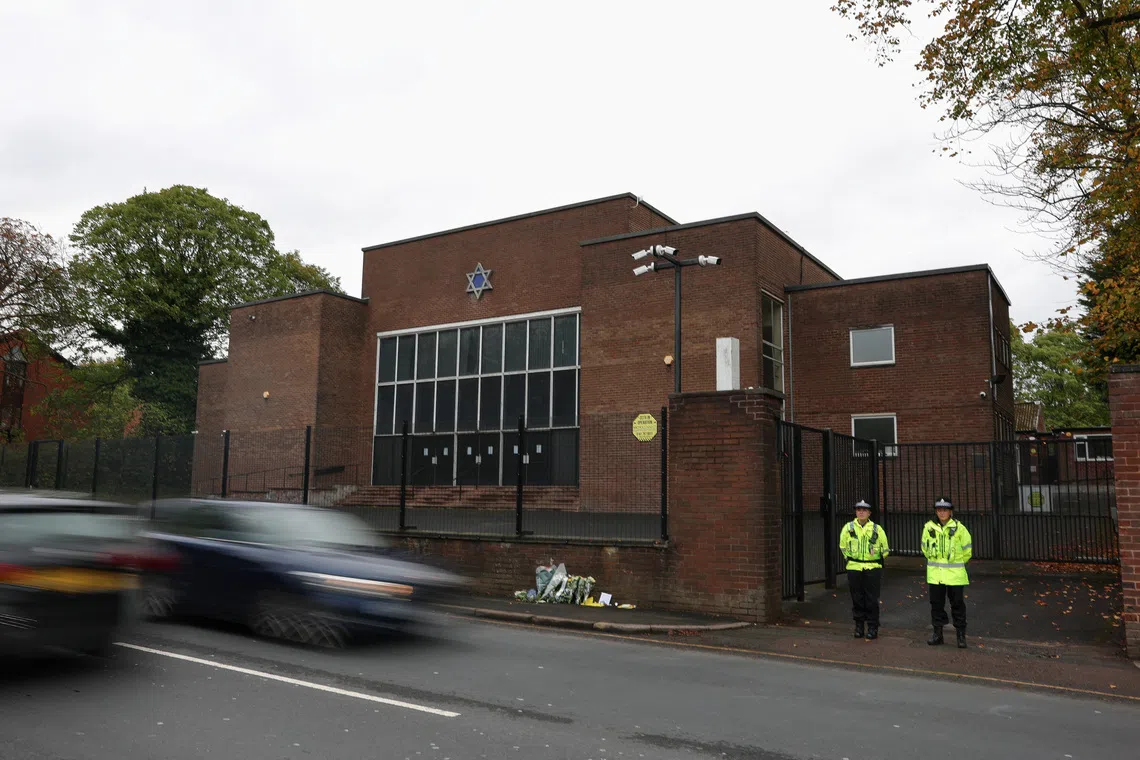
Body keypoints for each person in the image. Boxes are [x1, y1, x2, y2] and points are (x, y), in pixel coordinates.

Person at [921, 498, 973, 648]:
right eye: (939, 510)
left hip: (955, 575)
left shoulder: (959, 528)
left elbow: (967, 550)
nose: (942, 513)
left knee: (957, 605)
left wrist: (955, 564)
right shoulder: (928, 528)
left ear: (951, 511)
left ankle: (961, 636)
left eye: (945, 510)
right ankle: (938, 634)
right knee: (936, 605)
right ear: (936, 511)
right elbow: (925, 548)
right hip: (936, 575)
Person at [839, 499, 889, 641]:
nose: (861, 512)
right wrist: (851, 558)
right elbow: (842, 546)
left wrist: (873, 559)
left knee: (871, 599)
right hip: (854, 568)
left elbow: (885, 549)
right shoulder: (848, 528)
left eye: (864, 510)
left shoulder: (877, 529)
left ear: (869, 513)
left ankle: (873, 627)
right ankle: (859, 626)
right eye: (858, 509)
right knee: (857, 598)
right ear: (856, 512)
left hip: (872, 568)